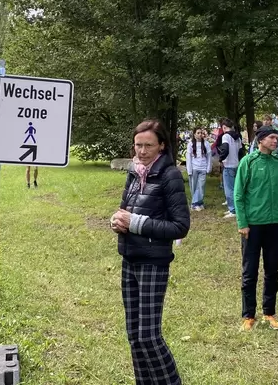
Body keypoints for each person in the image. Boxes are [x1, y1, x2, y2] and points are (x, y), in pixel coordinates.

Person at [110, 120, 190, 385]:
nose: (142, 151)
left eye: (148, 145)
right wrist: (117, 221)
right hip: (129, 258)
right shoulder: (134, 171)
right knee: (133, 334)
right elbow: (125, 208)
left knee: (149, 336)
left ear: (162, 146)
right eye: (138, 145)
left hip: (153, 263)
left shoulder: (170, 175)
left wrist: (136, 223)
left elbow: (180, 226)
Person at [235, 126, 278, 331]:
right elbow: (239, 194)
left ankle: (269, 312)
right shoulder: (248, 162)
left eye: (277, 138)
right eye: (272, 138)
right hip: (252, 226)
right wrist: (242, 223)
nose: (276, 141)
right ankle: (248, 315)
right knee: (249, 271)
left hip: (274, 225)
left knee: (272, 271)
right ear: (260, 140)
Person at [218, 119, 243, 219]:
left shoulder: (225, 136)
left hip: (228, 165)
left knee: (229, 189)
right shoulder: (238, 137)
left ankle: (233, 210)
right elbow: (241, 151)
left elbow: (225, 149)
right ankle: (235, 208)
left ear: (224, 127)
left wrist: (221, 159)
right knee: (236, 188)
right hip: (237, 164)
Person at [186, 127, 212, 211]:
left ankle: (197, 203)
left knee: (201, 186)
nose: (200, 134)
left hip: (203, 168)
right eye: (198, 133)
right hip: (194, 168)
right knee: (193, 186)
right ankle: (196, 203)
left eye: (201, 133)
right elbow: (188, 158)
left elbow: (209, 156)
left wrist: (208, 167)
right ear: (194, 134)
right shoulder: (190, 144)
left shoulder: (206, 144)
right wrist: (189, 170)